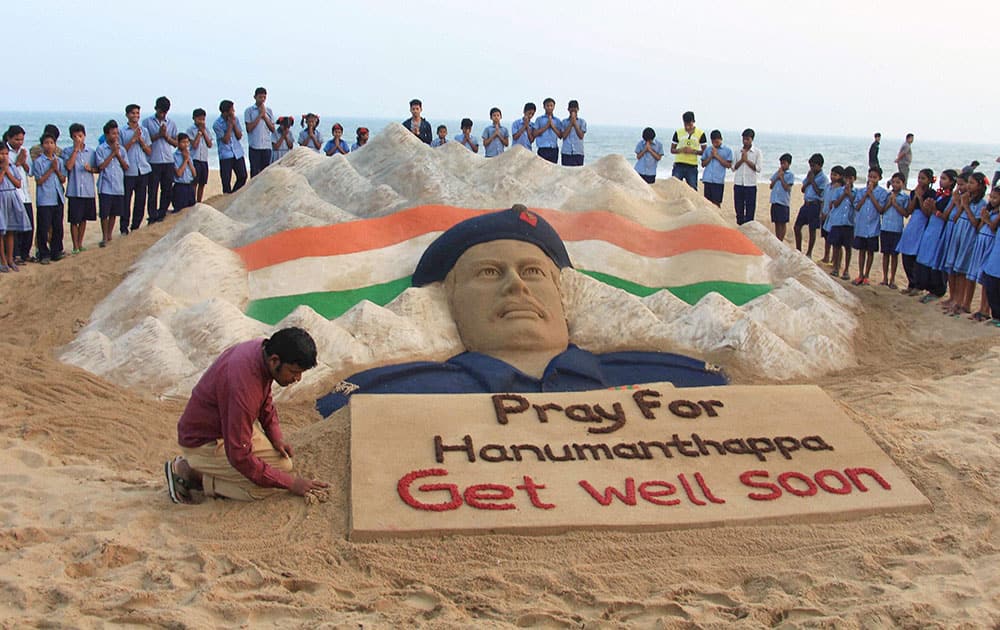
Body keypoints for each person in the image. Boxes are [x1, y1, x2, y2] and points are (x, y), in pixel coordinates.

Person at [315, 206, 727, 416]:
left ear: (562, 297)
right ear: (451, 299)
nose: (517, 285)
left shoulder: (676, 378)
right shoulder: (386, 394)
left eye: (533, 271)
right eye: (490, 273)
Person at [165, 327, 328, 504]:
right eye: (294, 372)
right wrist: (292, 483)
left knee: (284, 465)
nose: (298, 378)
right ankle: (191, 473)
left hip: (228, 425)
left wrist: (276, 437)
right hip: (203, 441)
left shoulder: (262, 351)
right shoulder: (243, 388)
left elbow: (265, 399)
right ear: (275, 361)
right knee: (264, 490)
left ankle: (203, 470)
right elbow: (240, 456)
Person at [913, 169, 954, 302]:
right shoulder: (938, 195)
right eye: (941, 178)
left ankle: (937, 290)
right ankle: (925, 286)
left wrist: (934, 209)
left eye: (945, 179)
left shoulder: (950, 198)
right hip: (931, 227)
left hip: (940, 230)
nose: (942, 181)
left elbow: (945, 216)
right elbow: (928, 212)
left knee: (935, 259)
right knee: (925, 257)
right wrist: (923, 202)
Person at [896, 168, 936, 295]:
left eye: (923, 178)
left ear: (929, 180)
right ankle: (911, 283)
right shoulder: (914, 192)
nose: (920, 181)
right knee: (906, 255)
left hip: (923, 223)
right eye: (919, 178)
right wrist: (915, 197)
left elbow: (927, 212)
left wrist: (920, 197)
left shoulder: (931, 193)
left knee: (916, 257)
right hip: (913, 223)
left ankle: (918, 285)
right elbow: (909, 211)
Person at [61, 123, 97, 255]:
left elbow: (97, 168)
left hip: (87, 190)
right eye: (75, 136)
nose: (78, 139)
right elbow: (68, 167)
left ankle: (80, 243)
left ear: (85, 136)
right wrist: (75, 150)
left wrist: (91, 169)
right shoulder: (67, 151)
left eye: (80, 136)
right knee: (74, 219)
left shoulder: (91, 152)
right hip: (74, 190)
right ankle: (75, 245)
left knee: (84, 219)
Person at [30, 132, 67, 265]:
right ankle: (43, 253)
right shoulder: (39, 162)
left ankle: (56, 251)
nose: (49, 146)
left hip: (57, 197)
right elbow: (39, 181)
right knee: (43, 227)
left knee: (58, 227)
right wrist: (51, 169)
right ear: (42, 145)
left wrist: (56, 170)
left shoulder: (59, 161)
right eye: (46, 143)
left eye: (52, 143)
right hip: (45, 199)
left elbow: (63, 179)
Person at [143, 96, 178, 222]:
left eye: (165, 112)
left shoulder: (171, 123)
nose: (163, 114)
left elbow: (176, 143)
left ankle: (162, 213)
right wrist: (158, 135)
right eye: (161, 111)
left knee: (167, 188)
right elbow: (145, 142)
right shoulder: (147, 122)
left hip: (168, 160)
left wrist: (166, 136)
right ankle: (152, 215)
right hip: (153, 160)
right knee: (152, 190)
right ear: (156, 109)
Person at [94, 120, 129, 247]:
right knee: (104, 213)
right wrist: (112, 153)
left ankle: (109, 235)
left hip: (118, 186)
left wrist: (118, 154)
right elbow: (101, 166)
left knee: (114, 212)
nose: (115, 136)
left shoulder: (122, 150)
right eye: (113, 133)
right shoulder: (101, 149)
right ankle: (104, 236)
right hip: (105, 185)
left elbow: (126, 166)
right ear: (107, 134)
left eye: (117, 133)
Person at [967, 184, 999, 322]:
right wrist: (984, 218)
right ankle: (982, 309)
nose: (992, 200)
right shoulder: (990, 211)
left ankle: (986, 310)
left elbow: (993, 227)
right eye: (991, 197)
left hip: (991, 244)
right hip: (982, 241)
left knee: (987, 279)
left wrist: (986, 219)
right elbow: (980, 227)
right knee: (981, 276)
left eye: (995, 198)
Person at [851, 167, 887, 285]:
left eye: (874, 177)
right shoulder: (861, 191)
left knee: (870, 252)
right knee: (861, 251)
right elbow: (857, 206)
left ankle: (867, 274)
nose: (871, 179)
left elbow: (880, 209)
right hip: (861, 226)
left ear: (879, 178)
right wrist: (866, 194)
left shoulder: (882, 193)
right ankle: (860, 274)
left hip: (873, 227)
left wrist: (871, 195)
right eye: (870, 176)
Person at [0, 144, 31, 272]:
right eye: (1, 153)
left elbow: (18, 183)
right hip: (1, 197)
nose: (4, 156)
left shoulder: (11, 166)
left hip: (11, 196)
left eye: (6, 154)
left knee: (11, 230)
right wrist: (3, 171)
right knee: (1, 231)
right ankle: (2, 260)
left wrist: (7, 170)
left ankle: (10, 259)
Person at [5, 126, 33, 264]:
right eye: (16, 139)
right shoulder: (5, 153)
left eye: (21, 139)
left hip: (25, 193)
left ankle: (25, 253)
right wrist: (18, 162)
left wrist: (24, 162)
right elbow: (7, 171)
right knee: (14, 227)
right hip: (12, 194)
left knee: (28, 225)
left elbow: (30, 171)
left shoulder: (24, 151)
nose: (19, 142)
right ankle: (15, 255)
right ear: (9, 138)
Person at [122, 104, 152, 234]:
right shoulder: (122, 131)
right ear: (127, 115)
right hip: (129, 171)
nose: (136, 115)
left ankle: (135, 226)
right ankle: (124, 227)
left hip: (143, 169)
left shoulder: (144, 131)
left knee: (140, 200)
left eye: (137, 113)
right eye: (133, 113)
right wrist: (133, 139)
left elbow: (149, 151)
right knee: (126, 200)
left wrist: (141, 141)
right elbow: (121, 151)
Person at [877, 172, 908, 289]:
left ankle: (892, 278)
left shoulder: (904, 197)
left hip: (896, 229)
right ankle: (885, 277)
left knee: (894, 255)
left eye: (898, 182)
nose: (895, 184)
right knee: (885, 254)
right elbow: (882, 210)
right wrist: (889, 203)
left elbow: (905, 213)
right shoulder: (887, 195)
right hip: (885, 227)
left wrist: (895, 204)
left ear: (902, 183)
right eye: (893, 182)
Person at [794, 153, 827, 257]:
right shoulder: (810, 175)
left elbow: (820, 193)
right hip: (806, 204)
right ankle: (798, 249)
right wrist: (808, 180)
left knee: (812, 230)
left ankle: (809, 252)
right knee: (797, 227)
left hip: (815, 204)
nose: (812, 168)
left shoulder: (823, 178)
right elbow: (803, 189)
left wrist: (812, 181)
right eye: (810, 166)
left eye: (813, 166)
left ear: (820, 165)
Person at [827, 166, 857, 281]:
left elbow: (856, 205)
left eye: (851, 178)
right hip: (838, 221)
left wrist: (849, 194)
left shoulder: (856, 192)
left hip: (849, 223)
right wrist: (844, 194)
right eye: (846, 178)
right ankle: (836, 267)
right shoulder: (838, 190)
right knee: (836, 245)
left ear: (854, 179)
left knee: (848, 247)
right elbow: (835, 204)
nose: (848, 180)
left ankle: (846, 270)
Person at [213, 100, 247, 194]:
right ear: (225, 112)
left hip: (237, 152)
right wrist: (229, 126)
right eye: (232, 110)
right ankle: (227, 197)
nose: (233, 111)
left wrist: (234, 124)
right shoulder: (217, 124)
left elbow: (239, 136)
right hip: (225, 154)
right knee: (226, 180)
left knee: (243, 176)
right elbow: (225, 140)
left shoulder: (236, 119)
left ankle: (234, 194)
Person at [732, 129, 762, 225]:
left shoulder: (757, 152)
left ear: (752, 140)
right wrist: (742, 160)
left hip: (750, 184)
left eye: (747, 139)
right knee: (739, 209)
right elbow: (733, 167)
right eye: (744, 139)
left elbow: (758, 168)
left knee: (750, 210)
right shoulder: (737, 151)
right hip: (739, 183)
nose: (745, 141)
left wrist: (746, 160)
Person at [670, 111, 706, 189]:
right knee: (674, 187)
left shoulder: (700, 133)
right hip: (679, 164)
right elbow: (672, 150)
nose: (687, 127)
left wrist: (693, 151)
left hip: (692, 166)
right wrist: (681, 150)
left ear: (693, 122)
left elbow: (705, 152)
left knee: (692, 188)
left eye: (689, 125)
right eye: (685, 125)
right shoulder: (678, 132)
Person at [244, 87, 275, 177]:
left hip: (266, 146)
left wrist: (264, 116)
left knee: (266, 173)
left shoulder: (269, 111)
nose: (262, 99)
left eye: (264, 97)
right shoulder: (249, 111)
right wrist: (260, 115)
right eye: (260, 97)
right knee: (254, 172)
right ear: (255, 97)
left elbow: (272, 129)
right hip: (254, 146)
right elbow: (249, 128)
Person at [819, 165, 845, 265]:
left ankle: (835, 260)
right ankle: (826, 256)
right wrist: (822, 212)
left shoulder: (840, 189)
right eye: (832, 174)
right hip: (824, 214)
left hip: (833, 217)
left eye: (835, 175)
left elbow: (834, 204)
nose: (832, 176)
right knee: (826, 238)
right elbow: (824, 200)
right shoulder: (828, 187)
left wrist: (829, 214)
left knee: (836, 242)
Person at [186, 109, 212, 204]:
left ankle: (199, 201)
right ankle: (192, 201)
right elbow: (194, 145)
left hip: (204, 159)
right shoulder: (190, 130)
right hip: (195, 159)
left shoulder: (207, 130)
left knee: (202, 182)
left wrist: (204, 132)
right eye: (199, 119)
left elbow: (209, 144)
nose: (201, 121)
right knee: (194, 182)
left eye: (203, 119)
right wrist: (199, 133)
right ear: (194, 118)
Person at [700, 130, 732, 205]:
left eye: (717, 142)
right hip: (708, 179)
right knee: (707, 203)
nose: (715, 144)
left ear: (721, 139)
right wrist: (711, 156)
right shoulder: (708, 149)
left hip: (718, 180)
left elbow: (728, 165)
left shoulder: (727, 150)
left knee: (716, 203)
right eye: (713, 142)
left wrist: (716, 156)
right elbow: (703, 164)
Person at [768, 153, 795, 243]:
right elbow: (771, 186)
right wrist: (777, 177)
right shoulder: (777, 172)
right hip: (775, 200)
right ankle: (777, 238)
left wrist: (782, 177)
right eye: (781, 163)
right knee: (776, 222)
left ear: (789, 164)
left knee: (782, 222)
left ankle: (781, 240)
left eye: (784, 163)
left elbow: (787, 188)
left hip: (783, 202)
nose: (782, 165)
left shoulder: (790, 175)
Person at [172, 133, 197, 212]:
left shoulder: (189, 156)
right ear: (178, 143)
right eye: (183, 142)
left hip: (189, 185)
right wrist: (185, 160)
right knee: (180, 211)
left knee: (191, 210)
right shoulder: (174, 156)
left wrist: (188, 160)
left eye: (187, 142)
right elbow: (178, 174)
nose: (185, 145)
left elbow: (194, 174)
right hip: (180, 186)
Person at [534, 98, 563, 164]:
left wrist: (552, 126)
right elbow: (535, 134)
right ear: (544, 107)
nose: (549, 107)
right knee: (541, 169)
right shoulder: (539, 119)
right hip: (542, 148)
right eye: (547, 106)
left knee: (553, 170)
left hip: (553, 149)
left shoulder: (557, 120)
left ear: (554, 107)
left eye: (551, 106)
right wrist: (547, 126)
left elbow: (560, 136)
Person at [560, 100, 586, 166]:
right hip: (566, 152)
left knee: (578, 173)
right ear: (568, 109)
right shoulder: (564, 122)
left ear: (578, 109)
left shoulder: (582, 122)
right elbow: (564, 136)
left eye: (575, 108)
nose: (573, 109)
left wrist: (575, 123)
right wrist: (571, 123)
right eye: (571, 107)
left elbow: (581, 136)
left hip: (578, 152)